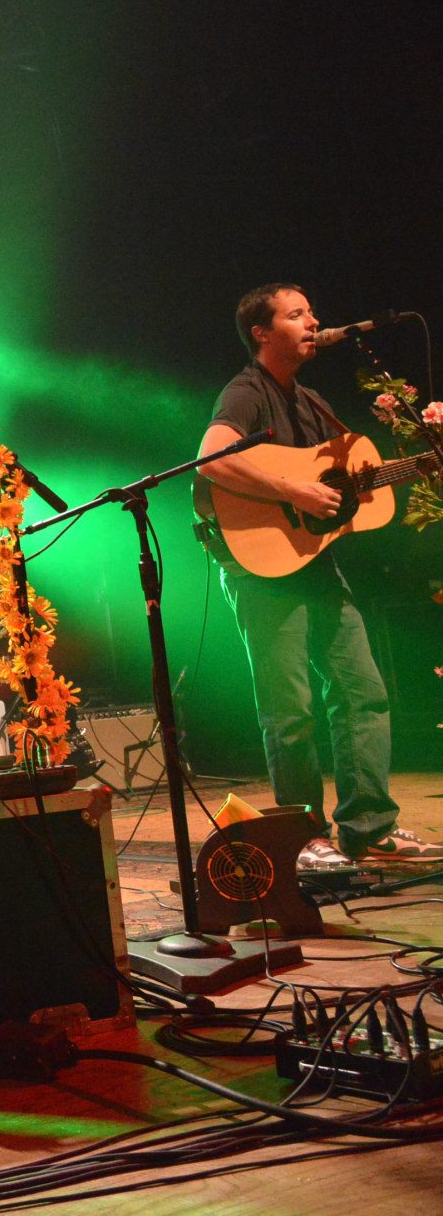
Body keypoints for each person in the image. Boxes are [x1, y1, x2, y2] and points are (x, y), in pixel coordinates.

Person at [196, 283, 442, 871]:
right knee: (290, 709)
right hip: (261, 565)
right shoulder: (247, 391)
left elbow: (345, 481)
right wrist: (293, 490)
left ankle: (368, 827)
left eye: (311, 312)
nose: (313, 322)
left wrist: (416, 464)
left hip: (315, 562)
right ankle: (301, 836)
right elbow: (213, 457)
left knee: (363, 693)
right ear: (262, 332)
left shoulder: (310, 402)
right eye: (296, 314)